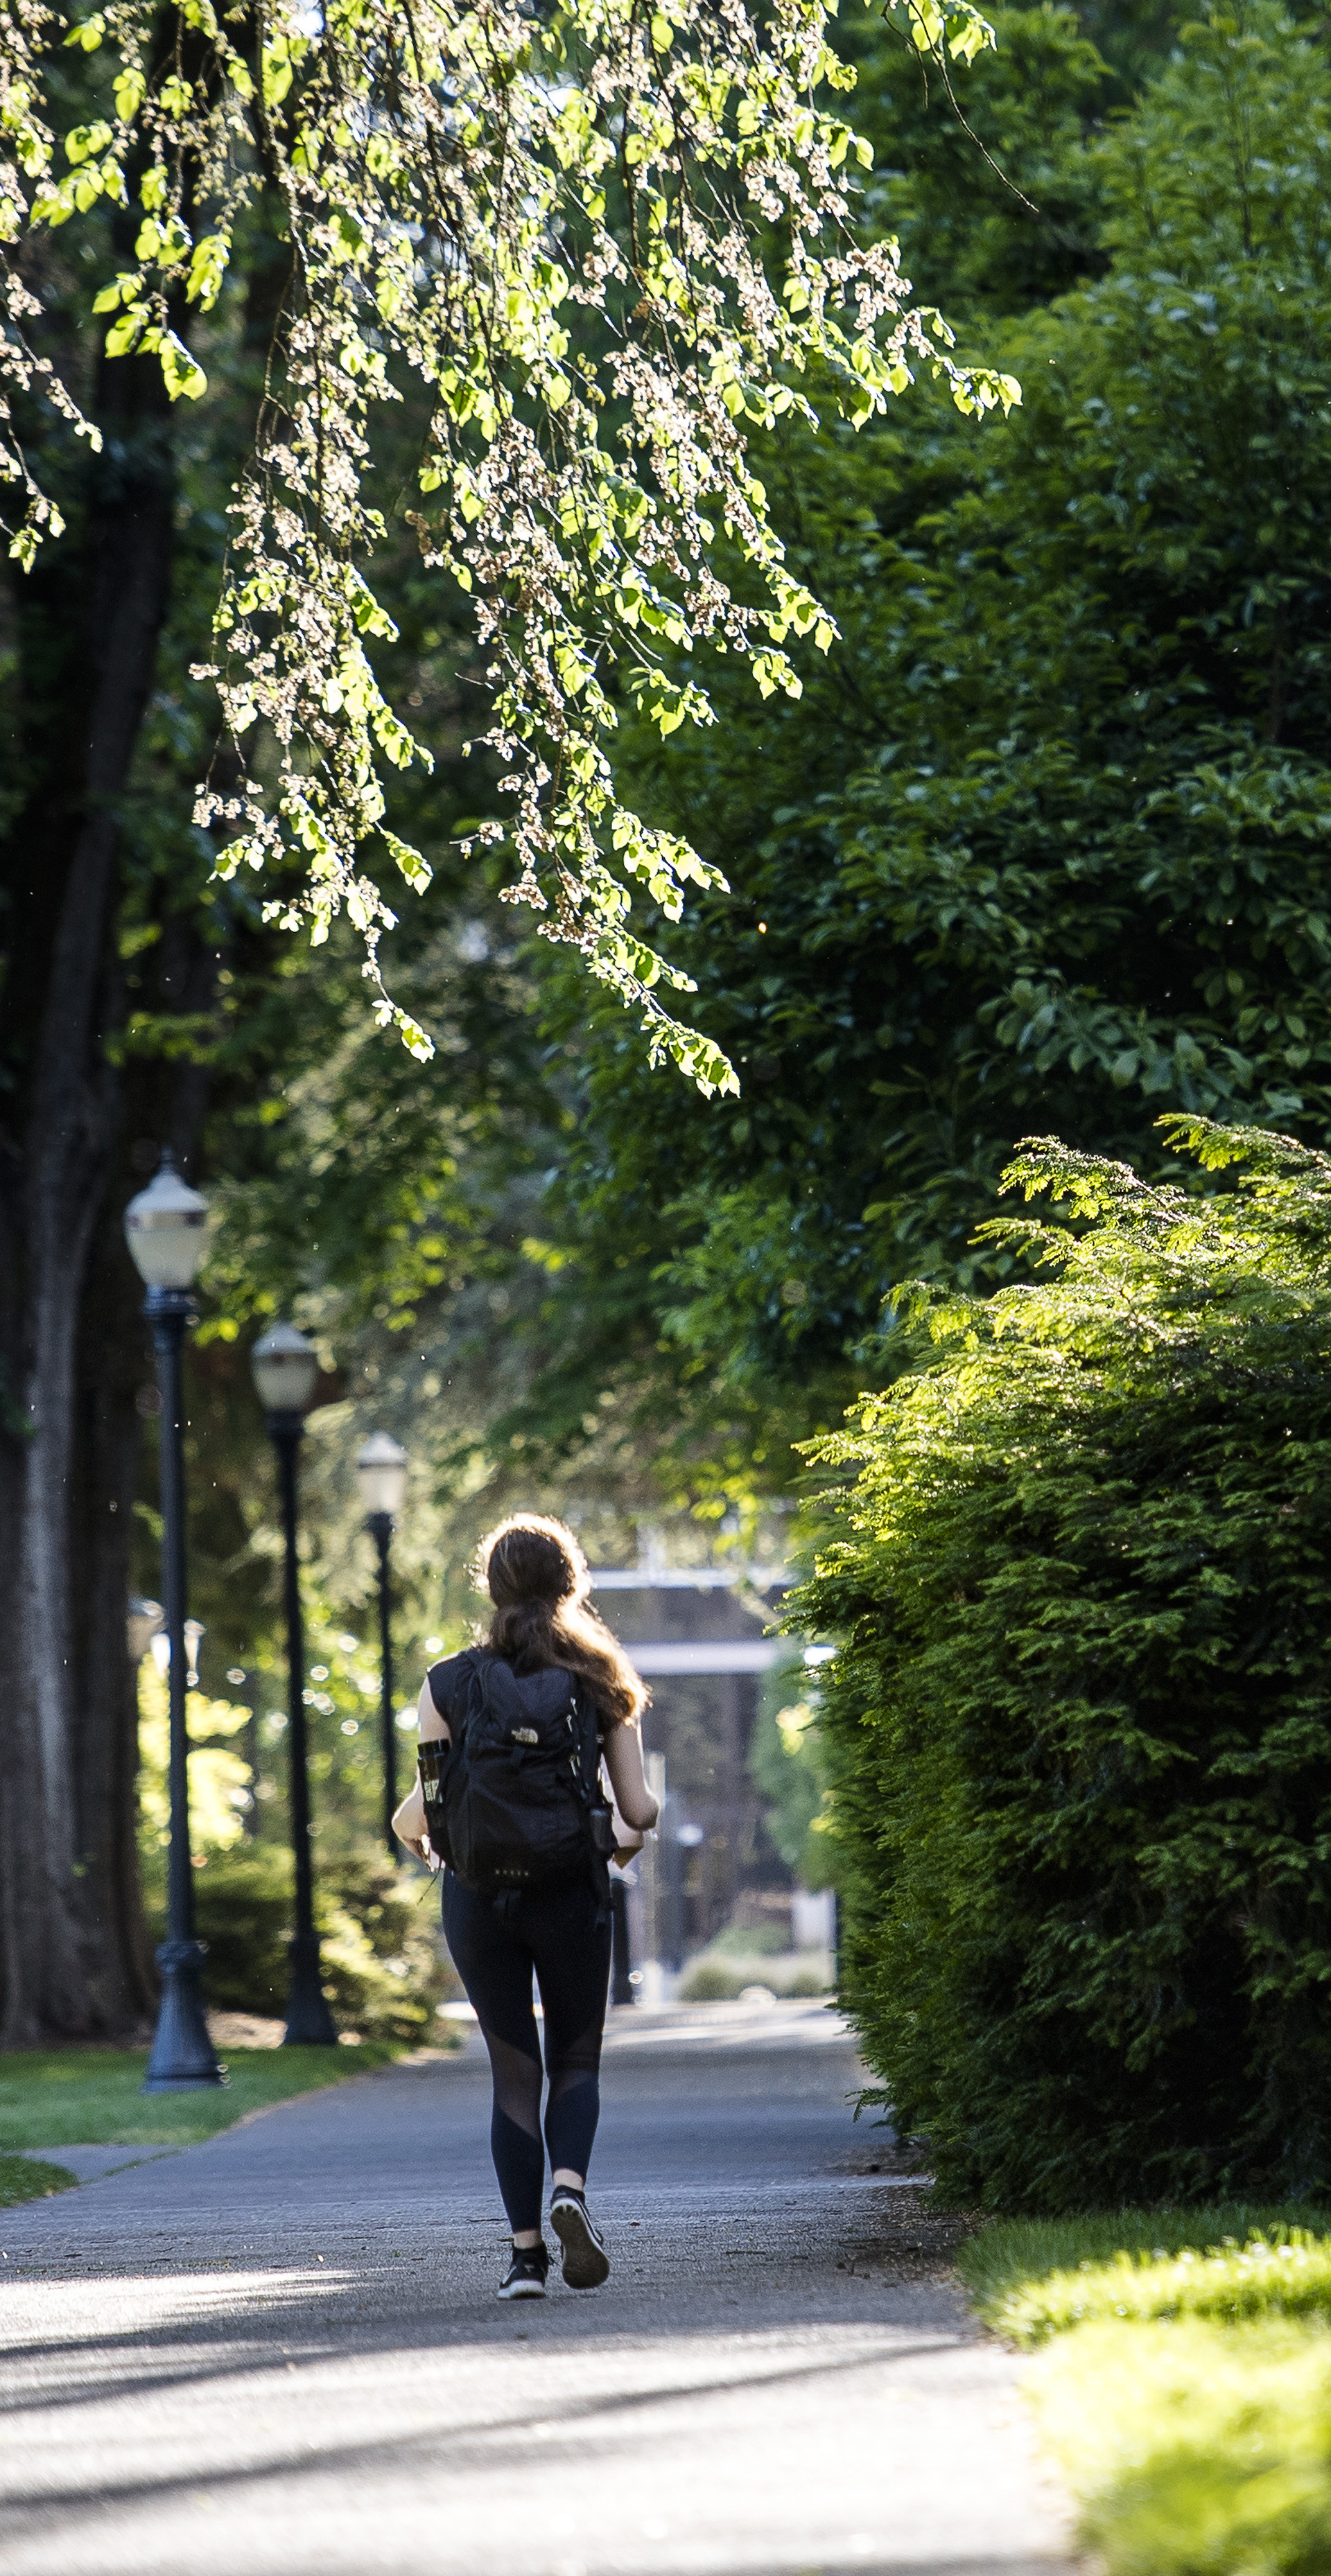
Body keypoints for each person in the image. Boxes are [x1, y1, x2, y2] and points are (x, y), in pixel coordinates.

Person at [392, 1513, 659, 2300]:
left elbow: (425, 1810)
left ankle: (525, 2261)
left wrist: (422, 1831)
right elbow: (637, 1811)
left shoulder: (447, 1683)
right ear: (571, 1584)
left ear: (491, 1585)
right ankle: (569, 2188)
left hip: (479, 1898)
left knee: (514, 2073)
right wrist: (620, 1835)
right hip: (572, 1889)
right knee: (575, 2061)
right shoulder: (601, 1676)